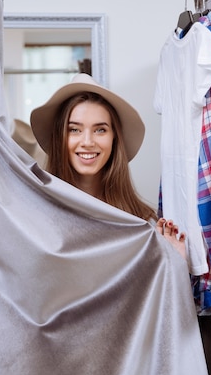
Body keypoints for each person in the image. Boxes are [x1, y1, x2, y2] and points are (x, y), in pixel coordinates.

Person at [30, 73, 187, 259]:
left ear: (114, 138)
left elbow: (158, 286)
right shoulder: (35, 220)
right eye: (74, 130)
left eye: (100, 130)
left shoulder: (144, 225)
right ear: (60, 139)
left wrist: (174, 263)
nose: (87, 141)